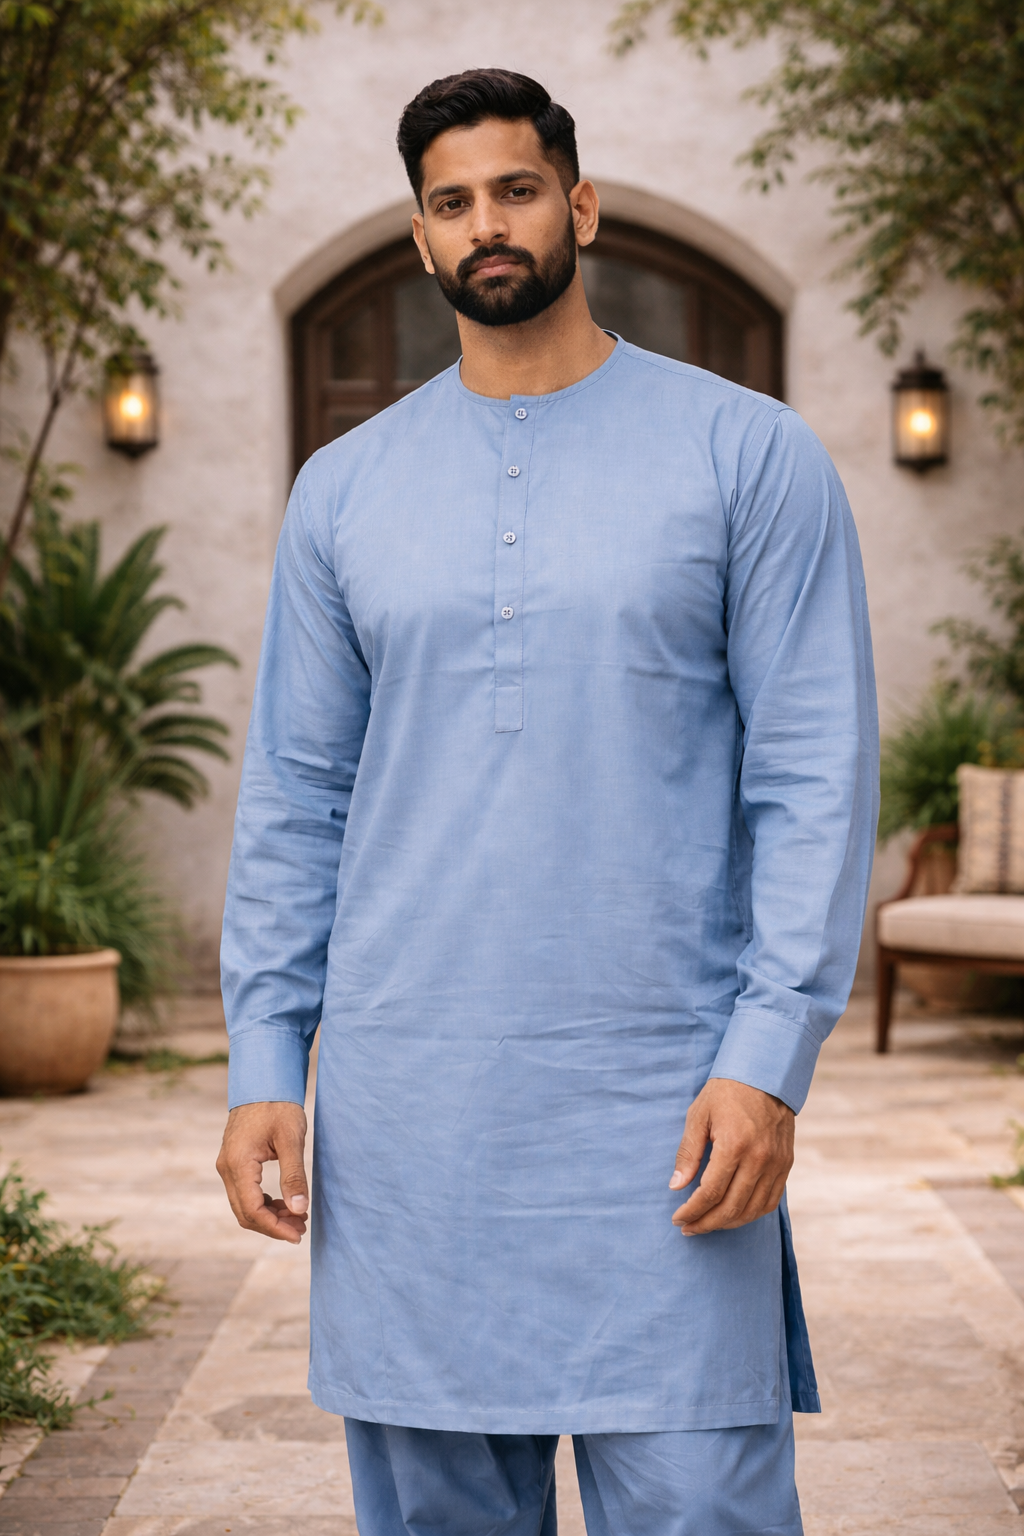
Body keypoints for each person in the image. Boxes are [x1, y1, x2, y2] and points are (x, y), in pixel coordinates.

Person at [217, 68, 878, 1536]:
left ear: (580, 205)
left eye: (515, 189)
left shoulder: (748, 456)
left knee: (703, 1503)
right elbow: (297, 796)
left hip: (666, 1115)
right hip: (413, 1132)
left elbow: (815, 778)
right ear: (420, 240)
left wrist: (770, 1056)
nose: (486, 224)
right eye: (451, 203)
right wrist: (266, 1057)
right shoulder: (344, 491)